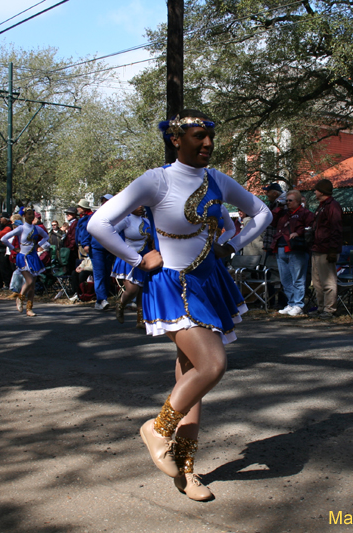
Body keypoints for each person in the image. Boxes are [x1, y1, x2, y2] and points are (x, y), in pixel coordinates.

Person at [88, 110, 271, 502]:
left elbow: (262, 212)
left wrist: (231, 245)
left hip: (209, 283)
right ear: (176, 139)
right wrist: (137, 259)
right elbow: (98, 224)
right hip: (173, 285)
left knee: (192, 376)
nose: (208, 143)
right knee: (212, 365)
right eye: (198, 136)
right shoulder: (155, 180)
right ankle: (157, 429)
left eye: (210, 136)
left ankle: (186, 469)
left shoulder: (217, 179)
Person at [270, 190, 314, 316]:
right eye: (287, 200)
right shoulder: (283, 214)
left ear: (298, 201)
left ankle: (298, 304)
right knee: (285, 279)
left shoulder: (305, 213)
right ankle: (291, 302)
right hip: (280, 247)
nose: (288, 203)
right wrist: (279, 207)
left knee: (298, 278)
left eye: (290, 200)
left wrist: (298, 233)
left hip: (296, 248)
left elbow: (311, 228)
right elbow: (272, 221)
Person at [1, 208, 50, 317]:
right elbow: (4, 238)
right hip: (23, 258)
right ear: (24, 216)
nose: (31, 216)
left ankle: (29, 308)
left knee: (32, 286)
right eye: (29, 214)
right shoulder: (21, 228)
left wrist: (39, 244)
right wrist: (14, 248)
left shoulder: (37, 228)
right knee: (29, 280)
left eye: (32, 214)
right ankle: (20, 297)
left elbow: (46, 236)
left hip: (33, 257)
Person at [111, 206, 152, 324]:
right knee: (133, 289)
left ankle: (140, 321)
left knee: (143, 291)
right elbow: (109, 233)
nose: (141, 207)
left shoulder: (147, 221)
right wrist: (120, 248)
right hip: (129, 259)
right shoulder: (126, 220)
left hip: (144, 259)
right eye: (137, 205)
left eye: (142, 205)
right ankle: (121, 305)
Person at [310, 179, 342, 319]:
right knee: (317, 282)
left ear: (322, 192)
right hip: (317, 247)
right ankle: (321, 307)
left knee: (328, 280)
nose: (314, 192)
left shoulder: (332, 206)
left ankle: (330, 309)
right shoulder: (322, 206)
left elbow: (336, 229)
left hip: (326, 248)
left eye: (316, 190)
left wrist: (333, 249)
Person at [91, 194, 117, 311]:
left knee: (107, 274)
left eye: (108, 200)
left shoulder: (116, 215)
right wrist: (85, 243)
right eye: (104, 200)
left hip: (110, 248)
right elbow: (87, 227)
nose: (106, 202)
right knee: (99, 274)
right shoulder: (96, 214)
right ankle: (101, 300)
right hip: (97, 249)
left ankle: (102, 299)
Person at [0, 214, 14, 289]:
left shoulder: (9, 227)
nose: (0, 219)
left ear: (6, 219)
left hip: (3, 250)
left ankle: (7, 283)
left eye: (2, 218)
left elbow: (1, 235)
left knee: (4, 268)